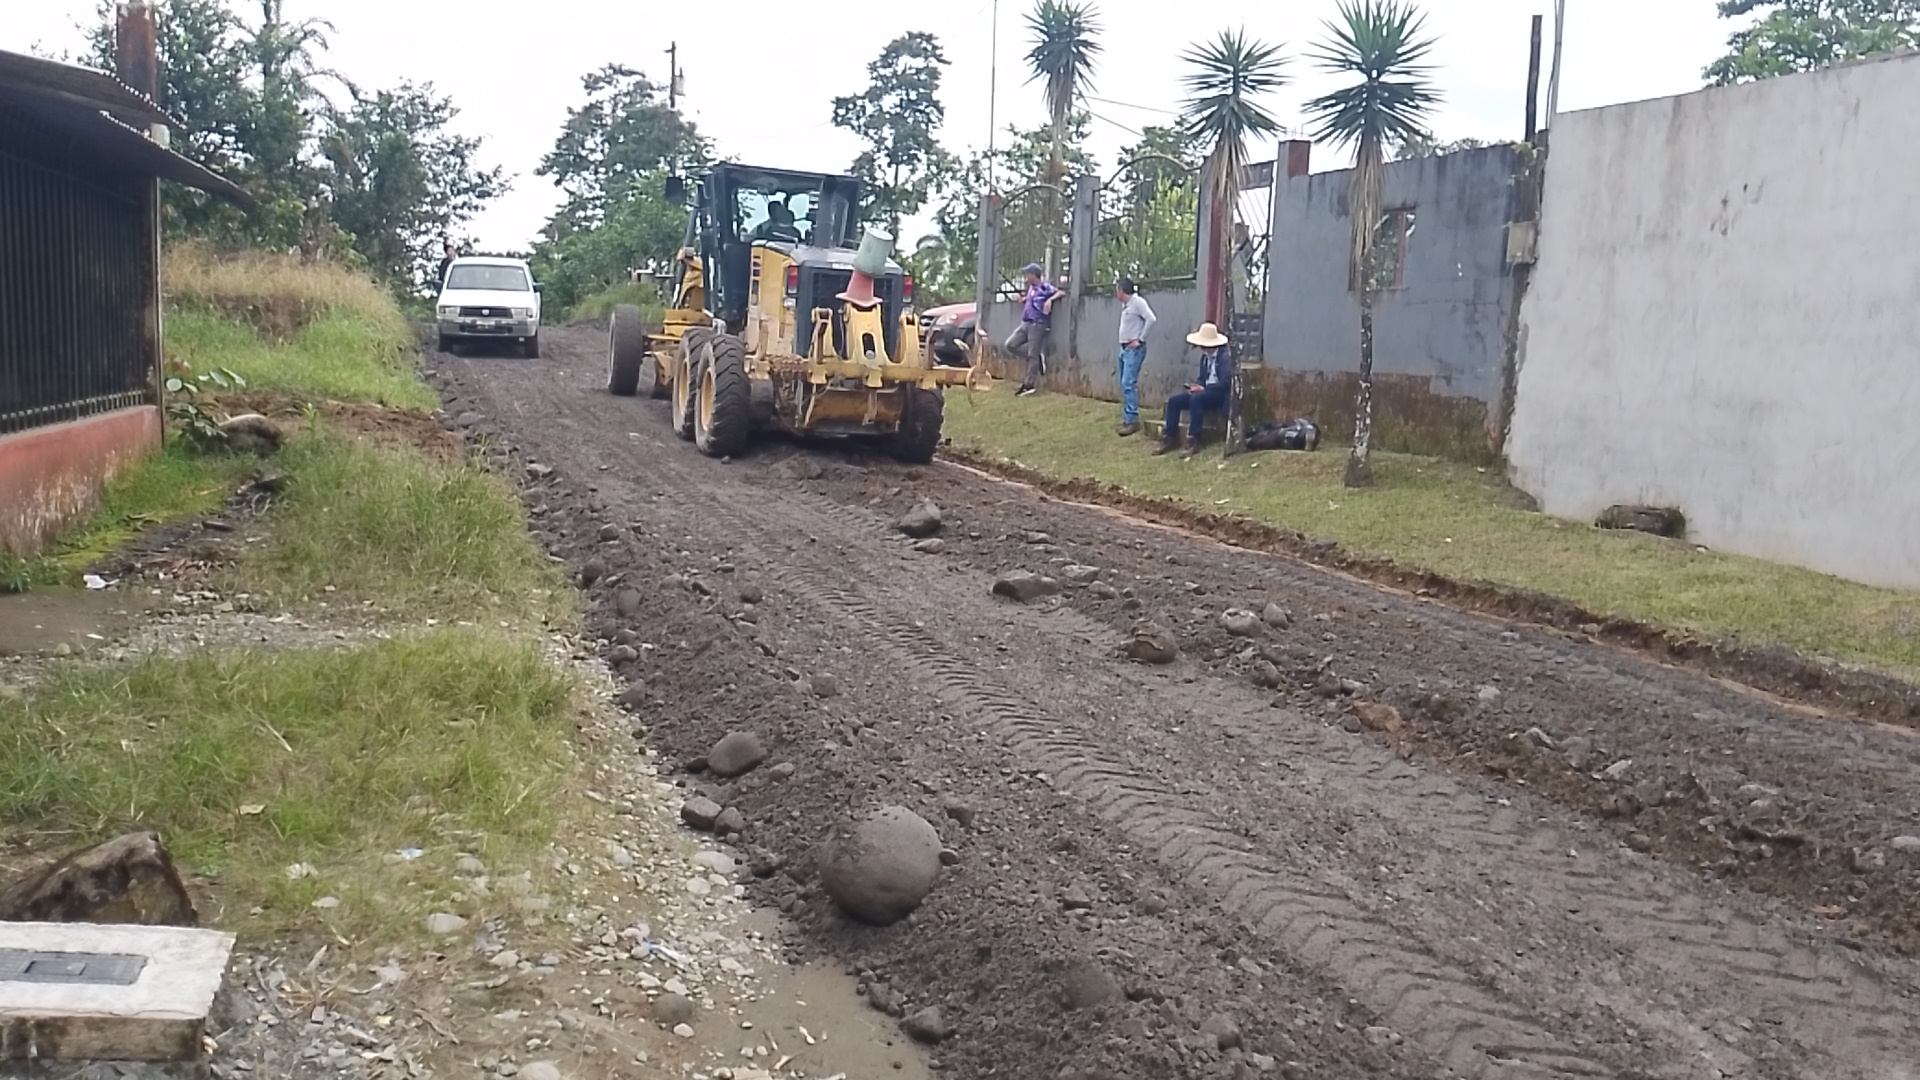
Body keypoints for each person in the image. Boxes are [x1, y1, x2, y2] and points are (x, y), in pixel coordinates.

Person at [1155, 322, 1230, 459]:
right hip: (1205, 391)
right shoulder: (1205, 358)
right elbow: (1203, 378)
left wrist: (1204, 388)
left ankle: (1194, 438)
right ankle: (1169, 436)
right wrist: (1196, 386)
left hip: (1219, 394)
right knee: (1174, 401)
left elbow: (1226, 382)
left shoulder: (1224, 357)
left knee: (1197, 399)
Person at [1004, 263, 1057, 396]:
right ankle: (1036, 359)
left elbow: (1060, 292)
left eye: (1028, 274)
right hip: (1026, 323)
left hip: (1037, 324)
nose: (1026, 276)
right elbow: (1032, 299)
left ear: (1034, 275)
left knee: (1032, 354)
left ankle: (1029, 384)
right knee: (1010, 345)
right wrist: (1024, 299)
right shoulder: (1031, 288)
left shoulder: (1044, 287)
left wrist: (1050, 300)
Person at [1113, 277, 1156, 436]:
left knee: (1128, 383)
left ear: (1121, 290)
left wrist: (1140, 339)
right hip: (1125, 348)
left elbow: (1151, 319)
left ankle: (1132, 420)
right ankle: (1127, 418)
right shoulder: (1126, 305)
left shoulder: (1138, 302)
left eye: (1117, 290)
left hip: (1133, 350)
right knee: (1124, 383)